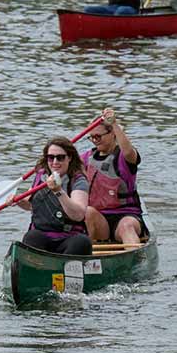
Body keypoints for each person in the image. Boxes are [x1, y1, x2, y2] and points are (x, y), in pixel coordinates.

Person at [80, 107, 147, 245]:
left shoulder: (124, 157)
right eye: (91, 137)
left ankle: (134, 257)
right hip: (99, 219)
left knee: (126, 227)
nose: (94, 140)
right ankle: (85, 257)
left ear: (112, 134)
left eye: (98, 136)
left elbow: (129, 151)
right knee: (87, 212)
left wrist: (114, 123)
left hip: (126, 215)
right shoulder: (86, 158)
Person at [19, 136, 92, 255]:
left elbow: (78, 215)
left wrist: (58, 191)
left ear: (69, 158)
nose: (55, 162)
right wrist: (17, 201)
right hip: (41, 235)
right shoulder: (41, 176)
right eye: (50, 157)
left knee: (82, 242)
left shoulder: (78, 180)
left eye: (60, 158)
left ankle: (67, 269)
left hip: (69, 238)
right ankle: (36, 267)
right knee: (31, 237)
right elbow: (30, 205)